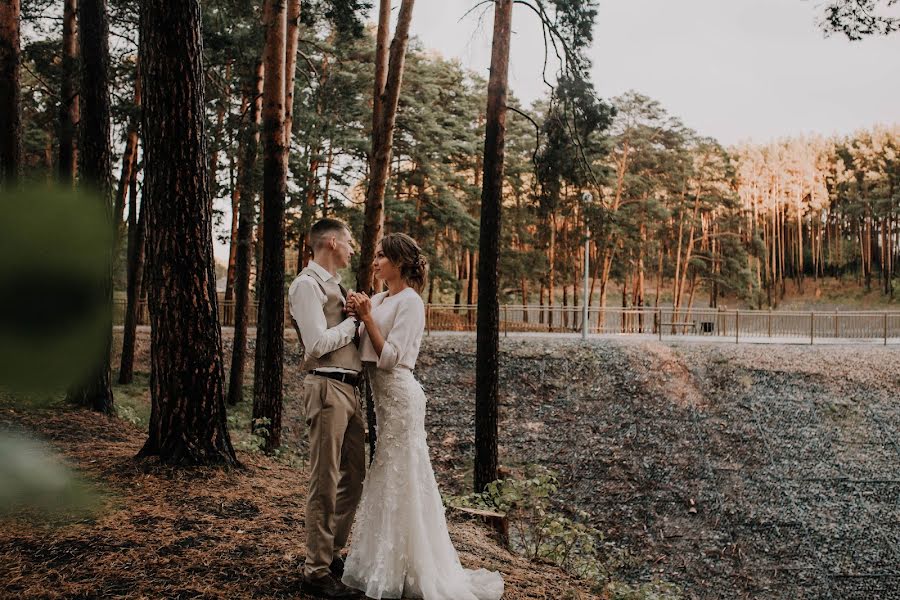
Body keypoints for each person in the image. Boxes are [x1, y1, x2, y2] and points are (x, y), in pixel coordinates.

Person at [342, 233, 504, 600]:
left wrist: (367, 318)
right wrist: (356, 312)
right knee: (387, 474)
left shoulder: (412, 302)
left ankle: (410, 569)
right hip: (383, 400)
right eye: (376, 255)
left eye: (382, 256)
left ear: (400, 263)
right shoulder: (383, 297)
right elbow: (365, 340)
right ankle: (382, 564)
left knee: (404, 476)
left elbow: (391, 357)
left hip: (400, 396)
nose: (375, 261)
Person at [289, 218, 365, 598]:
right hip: (326, 388)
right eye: (349, 242)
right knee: (325, 479)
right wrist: (353, 324)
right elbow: (316, 344)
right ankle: (315, 572)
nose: (353, 249)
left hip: (350, 389)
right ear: (332, 242)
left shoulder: (337, 287)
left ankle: (331, 551)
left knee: (356, 474)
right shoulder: (306, 285)